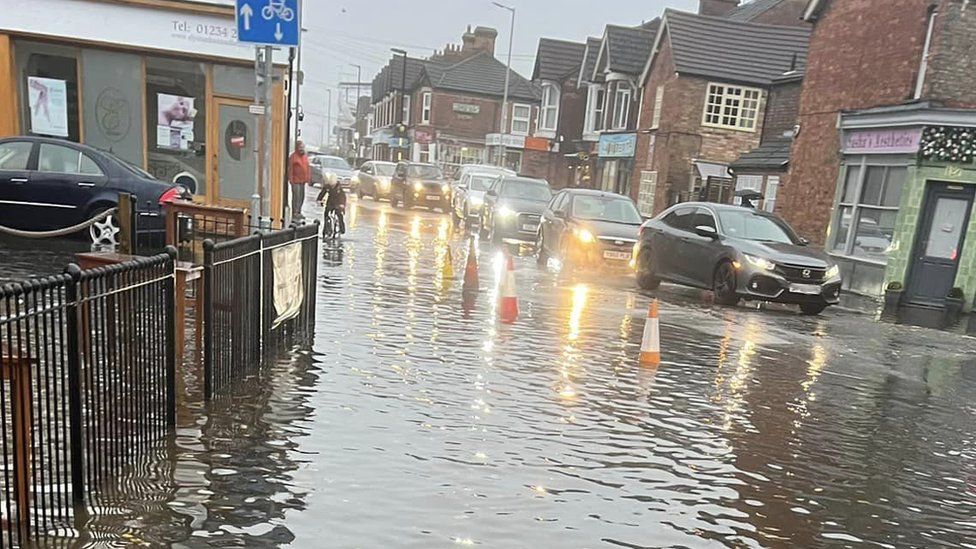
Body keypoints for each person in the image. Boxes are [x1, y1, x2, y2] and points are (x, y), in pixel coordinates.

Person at [288, 140, 311, 222]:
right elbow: (290, 169)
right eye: (300, 147)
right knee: (296, 197)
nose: (302, 149)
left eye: (303, 147)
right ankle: (295, 213)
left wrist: (308, 178)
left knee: (302, 197)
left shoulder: (305, 156)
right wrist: (291, 179)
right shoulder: (293, 157)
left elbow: (307, 168)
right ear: (297, 147)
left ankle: (299, 211)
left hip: (303, 181)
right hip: (295, 181)